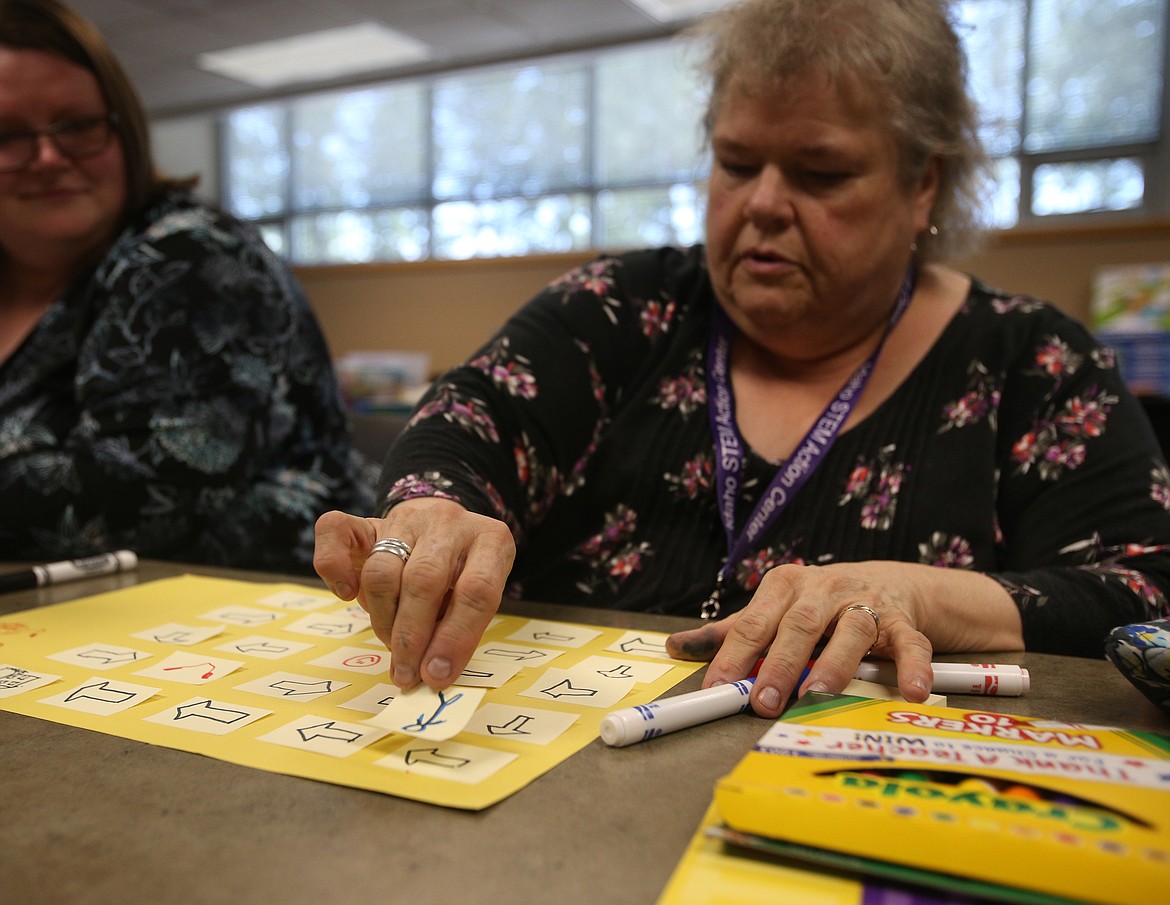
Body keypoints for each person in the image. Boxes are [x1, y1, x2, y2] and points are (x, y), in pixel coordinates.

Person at [314, 0, 1170, 716]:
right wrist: (437, 510)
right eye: (734, 162)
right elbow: (473, 418)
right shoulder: (622, 309)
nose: (761, 203)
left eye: (821, 173)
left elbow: (1143, 591)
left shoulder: (1037, 365)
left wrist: (917, 593)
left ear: (924, 187)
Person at [0, 0, 374, 574]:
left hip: (261, 617)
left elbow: (149, 497)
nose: (48, 157)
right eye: (7, 135)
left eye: (76, 125)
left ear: (123, 128)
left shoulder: (188, 254)